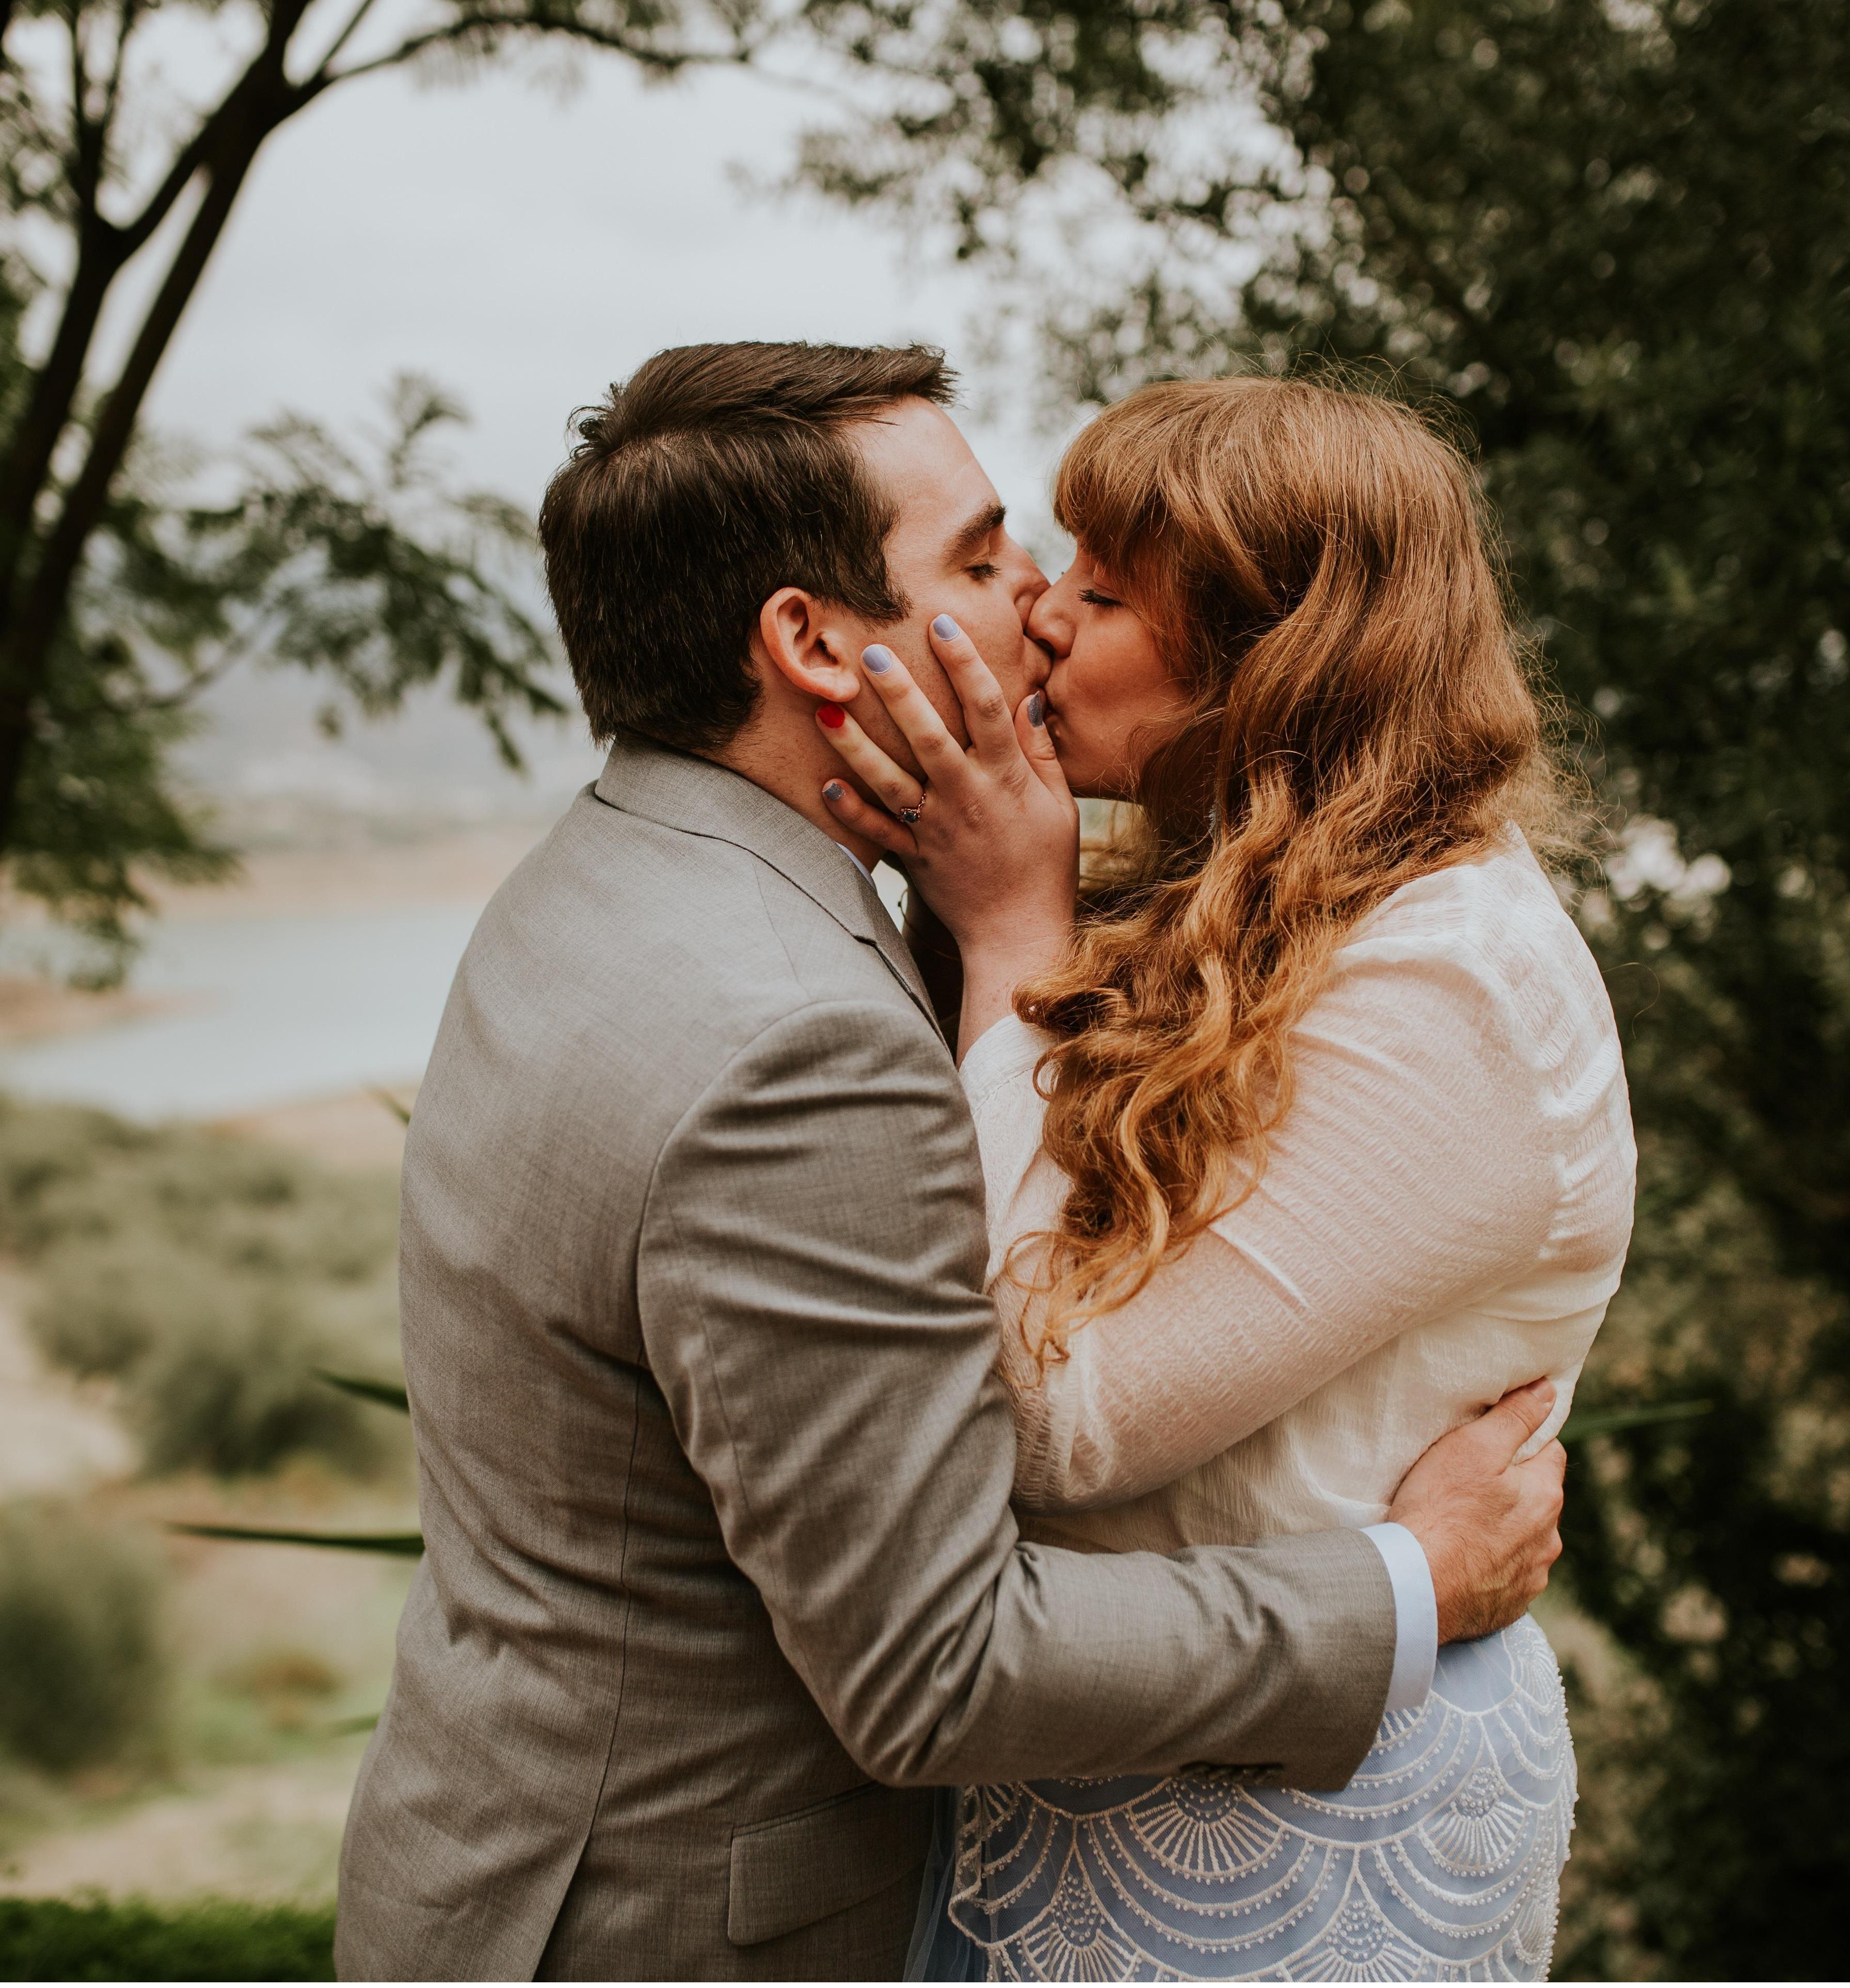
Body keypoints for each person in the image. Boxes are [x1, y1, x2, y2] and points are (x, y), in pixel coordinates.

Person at [333, 343, 1569, 1983]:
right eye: (983, 559)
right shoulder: (795, 1043)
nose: (1037, 606)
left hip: (498, 1852)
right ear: (813, 643)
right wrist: (1413, 1578)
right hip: (682, 1922)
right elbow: (938, 1663)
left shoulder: (609, 872)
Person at [814, 373, 1636, 1980]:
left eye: (1107, 590)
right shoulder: (1256, 907)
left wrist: (1012, 931)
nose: (1041, 613)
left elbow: (1057, 1418)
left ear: (1274, 669)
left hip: (1300, 1822)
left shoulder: (1452, 985)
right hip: (1122, 1762)